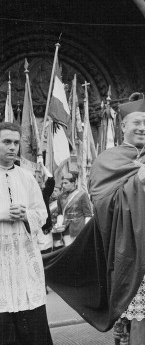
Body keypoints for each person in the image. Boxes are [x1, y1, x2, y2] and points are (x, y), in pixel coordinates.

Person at [44, 95, 145, 345]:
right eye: (136, 124)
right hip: (137, 246)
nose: (142, 129)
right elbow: (102, 206)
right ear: (122, 127)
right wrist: (136, 181)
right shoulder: (107, 161)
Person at [0, 122, 52, 345]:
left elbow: (42, 214)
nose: (12, 147)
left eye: (15, 142)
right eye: (6, 142)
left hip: (24, 261)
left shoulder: (27, 177)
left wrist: (26, 214)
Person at [57, 172, 92, 246]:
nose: (63, 185)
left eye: (66, 183)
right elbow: (60, 213)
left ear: (73, 183)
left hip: (79, 229)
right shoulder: (60, 197)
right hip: (66, 230)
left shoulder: (82, 195)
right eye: (63, 183)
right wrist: (59, 224)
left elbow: (88, 215)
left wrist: (86, 231)